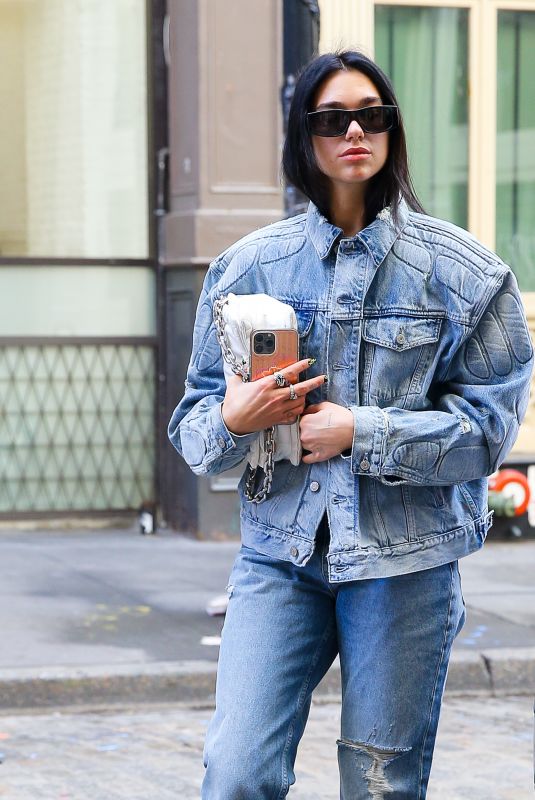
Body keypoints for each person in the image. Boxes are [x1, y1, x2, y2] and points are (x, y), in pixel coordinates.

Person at [168, 49, 533, 799]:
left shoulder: (466, 274)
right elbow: (196, 429)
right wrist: (235, 418)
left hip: (406, 567)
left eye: (372, 114)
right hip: (279, 560)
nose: (354, 131)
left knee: (379, 784)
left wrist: (358, 431)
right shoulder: (248, 268)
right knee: (234, 772)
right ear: (303, 137)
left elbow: (485, 434)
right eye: (332, 119)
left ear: (394, 130)